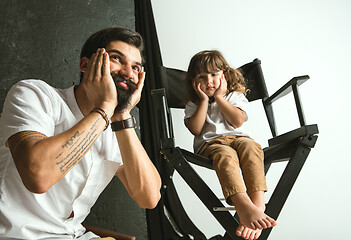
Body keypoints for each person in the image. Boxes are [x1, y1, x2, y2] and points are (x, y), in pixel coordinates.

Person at [0, 27, 162, 239]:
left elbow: (148, 197)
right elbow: (37, 177)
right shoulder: (35, 95)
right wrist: (104, 107)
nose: (128, 73)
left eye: (135, 67)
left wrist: (122, 115)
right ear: (86, 65)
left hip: (73, 235)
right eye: (116, 58)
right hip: (16, 234)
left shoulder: (118, 130)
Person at [184, 50, 277, 240]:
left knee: (252, 149)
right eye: (202, 76)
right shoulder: (194, 103)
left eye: (214, 75)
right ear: (194, 81)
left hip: (240, 139)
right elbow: (195, 129)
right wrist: (204, 101)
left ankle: (258, 206)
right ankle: (242, 205)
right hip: (211, 145)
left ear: (224, 76)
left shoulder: (234, 96)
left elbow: (237, 121)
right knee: (225, 155)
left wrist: (219, 97)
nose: (209, 81)